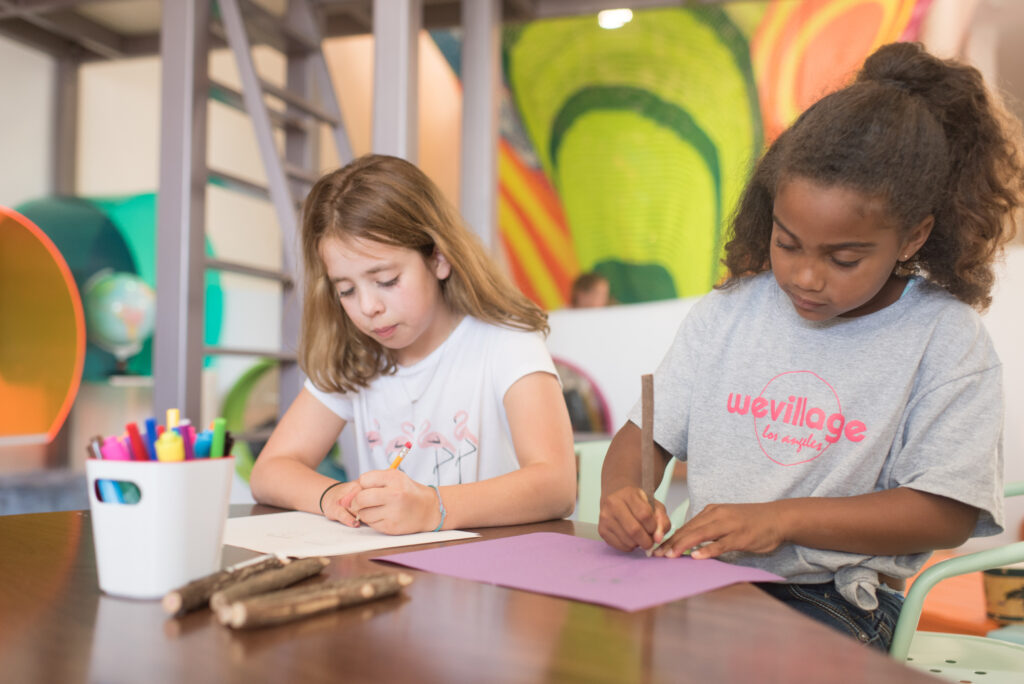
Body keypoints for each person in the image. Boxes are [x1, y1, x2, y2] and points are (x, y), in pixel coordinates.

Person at [598, 41, 1024, 651]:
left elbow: (947, 512)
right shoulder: (730, 312)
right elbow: (647, 437)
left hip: (835, 597)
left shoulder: (945, 340)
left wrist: (780, 520)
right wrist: (623, 495)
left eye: (843, 258)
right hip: (699, 577)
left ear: (913, 237)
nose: (804, 276)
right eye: (787, 241)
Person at [250, 154, 576, 535]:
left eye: (386, 280)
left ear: (438, 259)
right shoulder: (357, 355)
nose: (369, 307)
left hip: (490, 574)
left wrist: (432, 508)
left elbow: (557, 486)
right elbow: (269, 470)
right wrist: (338, 498)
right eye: (347, 290)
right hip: (394, 570)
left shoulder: (506, 342)